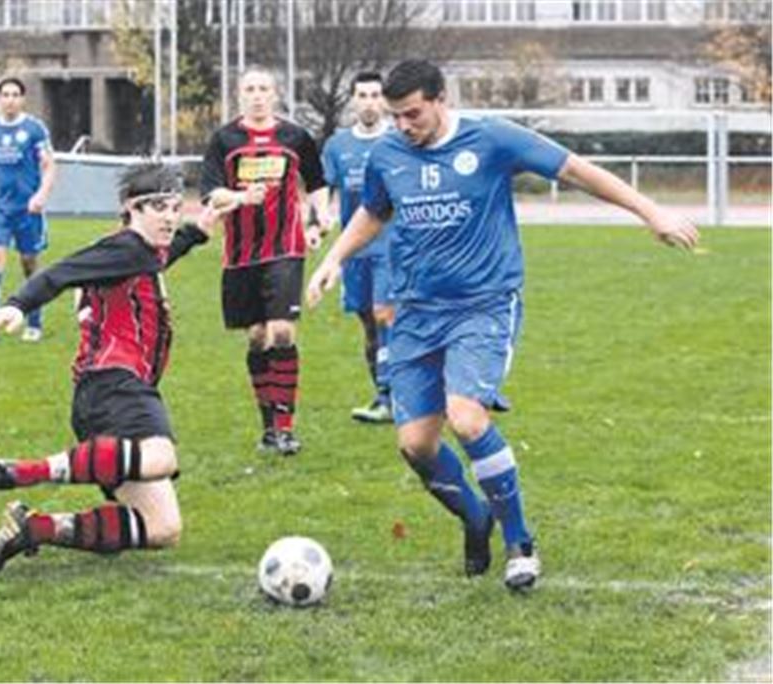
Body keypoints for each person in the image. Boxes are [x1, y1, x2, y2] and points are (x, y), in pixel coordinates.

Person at [307, 59, 698, 591]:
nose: (402, 125)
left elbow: (575, 169)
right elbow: (374, 212)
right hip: (417, 311)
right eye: (396, 116)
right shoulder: (388, 153)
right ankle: (476, 517)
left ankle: (520, 542)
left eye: (413, 114)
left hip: (483, 305)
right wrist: (334, 259)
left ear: (440, 99)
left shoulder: (492, 138)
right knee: (416, 445)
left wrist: (651, 212)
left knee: (466, 418)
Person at [0, 163, 227, 573]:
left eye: (175, 207)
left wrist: (199, 229)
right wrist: (15, 306)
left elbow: (162, 256)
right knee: (160, 457)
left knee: (162, 527)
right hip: (115, 383)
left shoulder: (137, 252)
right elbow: (59, 273)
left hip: (102, 395)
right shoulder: (126, 249)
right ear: (131, 209)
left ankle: (33, 528)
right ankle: (22, 472)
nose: (170, 217)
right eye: (159, 207)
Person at [201, 66, 332, 456]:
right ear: (239, 95)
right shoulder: (224, 139)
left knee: (282, 332)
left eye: (264, 88)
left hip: (285, 248)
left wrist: (319, 218)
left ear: (275, 94)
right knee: (257, 336)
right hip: (240, 254)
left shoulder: (295, 137)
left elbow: (317, 183)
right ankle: (268, 427)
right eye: (250, 89)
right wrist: (241, 198)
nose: (257, 95)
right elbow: (211, 194)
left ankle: (286, 429)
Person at [321, 71, 395, 424]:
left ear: (384, 100)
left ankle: (391, 397)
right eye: (362, 95)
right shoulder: (337, 146)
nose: (369, 102)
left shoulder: (397, 141)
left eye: (375, 95)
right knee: (369, 324)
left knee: (385, 315)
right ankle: (383, 395)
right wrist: (318, 220)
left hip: (392, 246)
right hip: (354, 250)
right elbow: (324, 191)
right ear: (353, 100)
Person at [0, 77, 57, 343]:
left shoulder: (34, 129)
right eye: (5, 95)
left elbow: (49, 166)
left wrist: (41, 195)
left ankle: (34, 322)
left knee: (29, 264)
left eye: (14, 95)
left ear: (22, 99)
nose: (9, 100)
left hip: (27, 210)